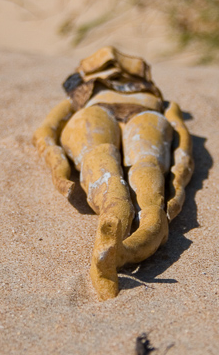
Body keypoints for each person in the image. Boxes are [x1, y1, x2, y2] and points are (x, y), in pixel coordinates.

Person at [33, 47, 194, 300]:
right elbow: (45, 132)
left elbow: (182, 139)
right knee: (112, 163)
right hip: (115, 112)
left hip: (139, 114)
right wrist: (58, 166)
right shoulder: (83, 94)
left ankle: (121, 250)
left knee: (141, 169)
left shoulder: (160, 100)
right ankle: (113, 246)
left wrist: (179, 178)